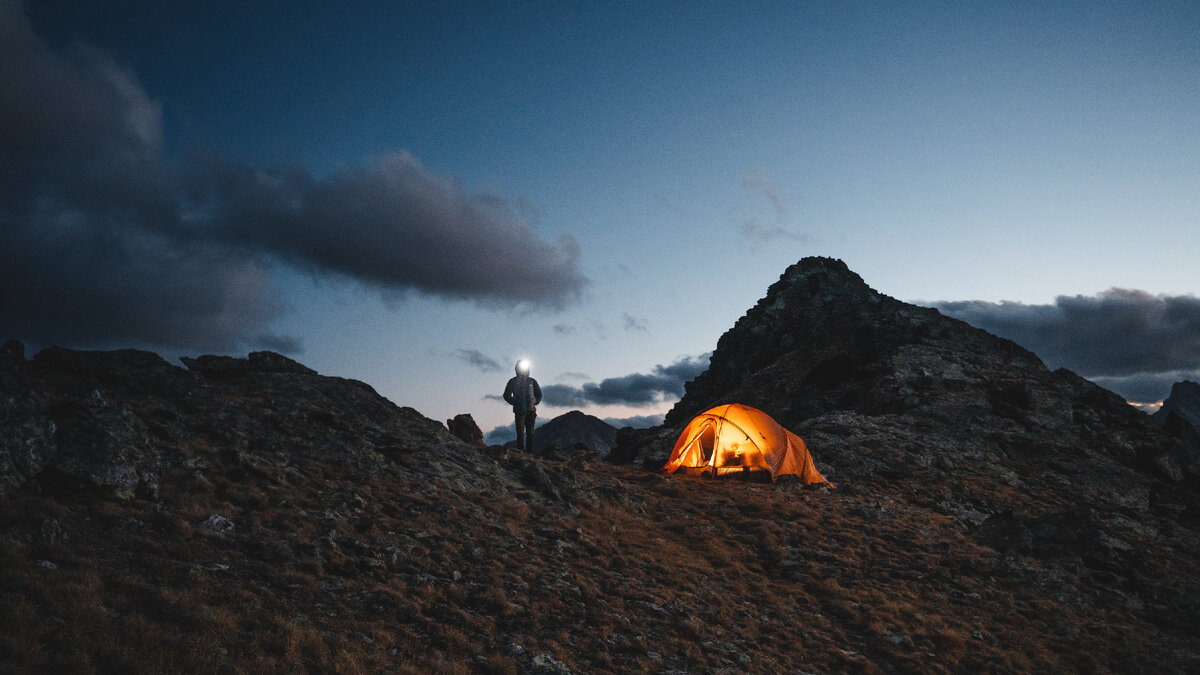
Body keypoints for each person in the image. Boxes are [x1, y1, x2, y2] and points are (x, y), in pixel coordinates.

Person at [503, 359, 542, 452]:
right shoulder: (513, 381)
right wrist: (516, 402)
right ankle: (520, 452)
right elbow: (506, 395)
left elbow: (539, 394)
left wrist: (534, 402)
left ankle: (529, 453)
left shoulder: (532, 381)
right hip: (519, 411)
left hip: (531, 411)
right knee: (520, 433)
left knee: (530, 433)